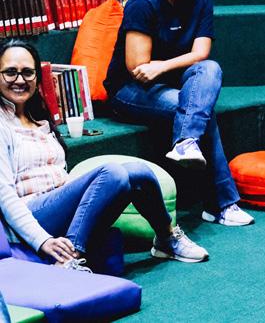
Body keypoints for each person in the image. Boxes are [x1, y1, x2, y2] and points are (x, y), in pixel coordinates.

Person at [0, 40, 208, 272]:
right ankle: (70, 259)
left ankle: (166, 238)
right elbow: (4, 196)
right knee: (112, 173)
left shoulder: (38, 117)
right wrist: (43, 240)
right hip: (31, 216)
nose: (20, 80)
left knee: (138, 172)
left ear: (37, 77)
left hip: (58, 205)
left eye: (28, 72)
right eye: (10, 72)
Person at [104, 0, 253, 227]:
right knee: (201, 111)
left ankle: (185, 141)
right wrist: (158, 70)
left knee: (210, 68)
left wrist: (162, 66)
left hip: (171, 82)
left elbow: (201, 54)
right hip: (131, 90)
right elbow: (138, 67)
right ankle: (221, 204)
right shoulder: (143, 4)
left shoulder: (202, 1)